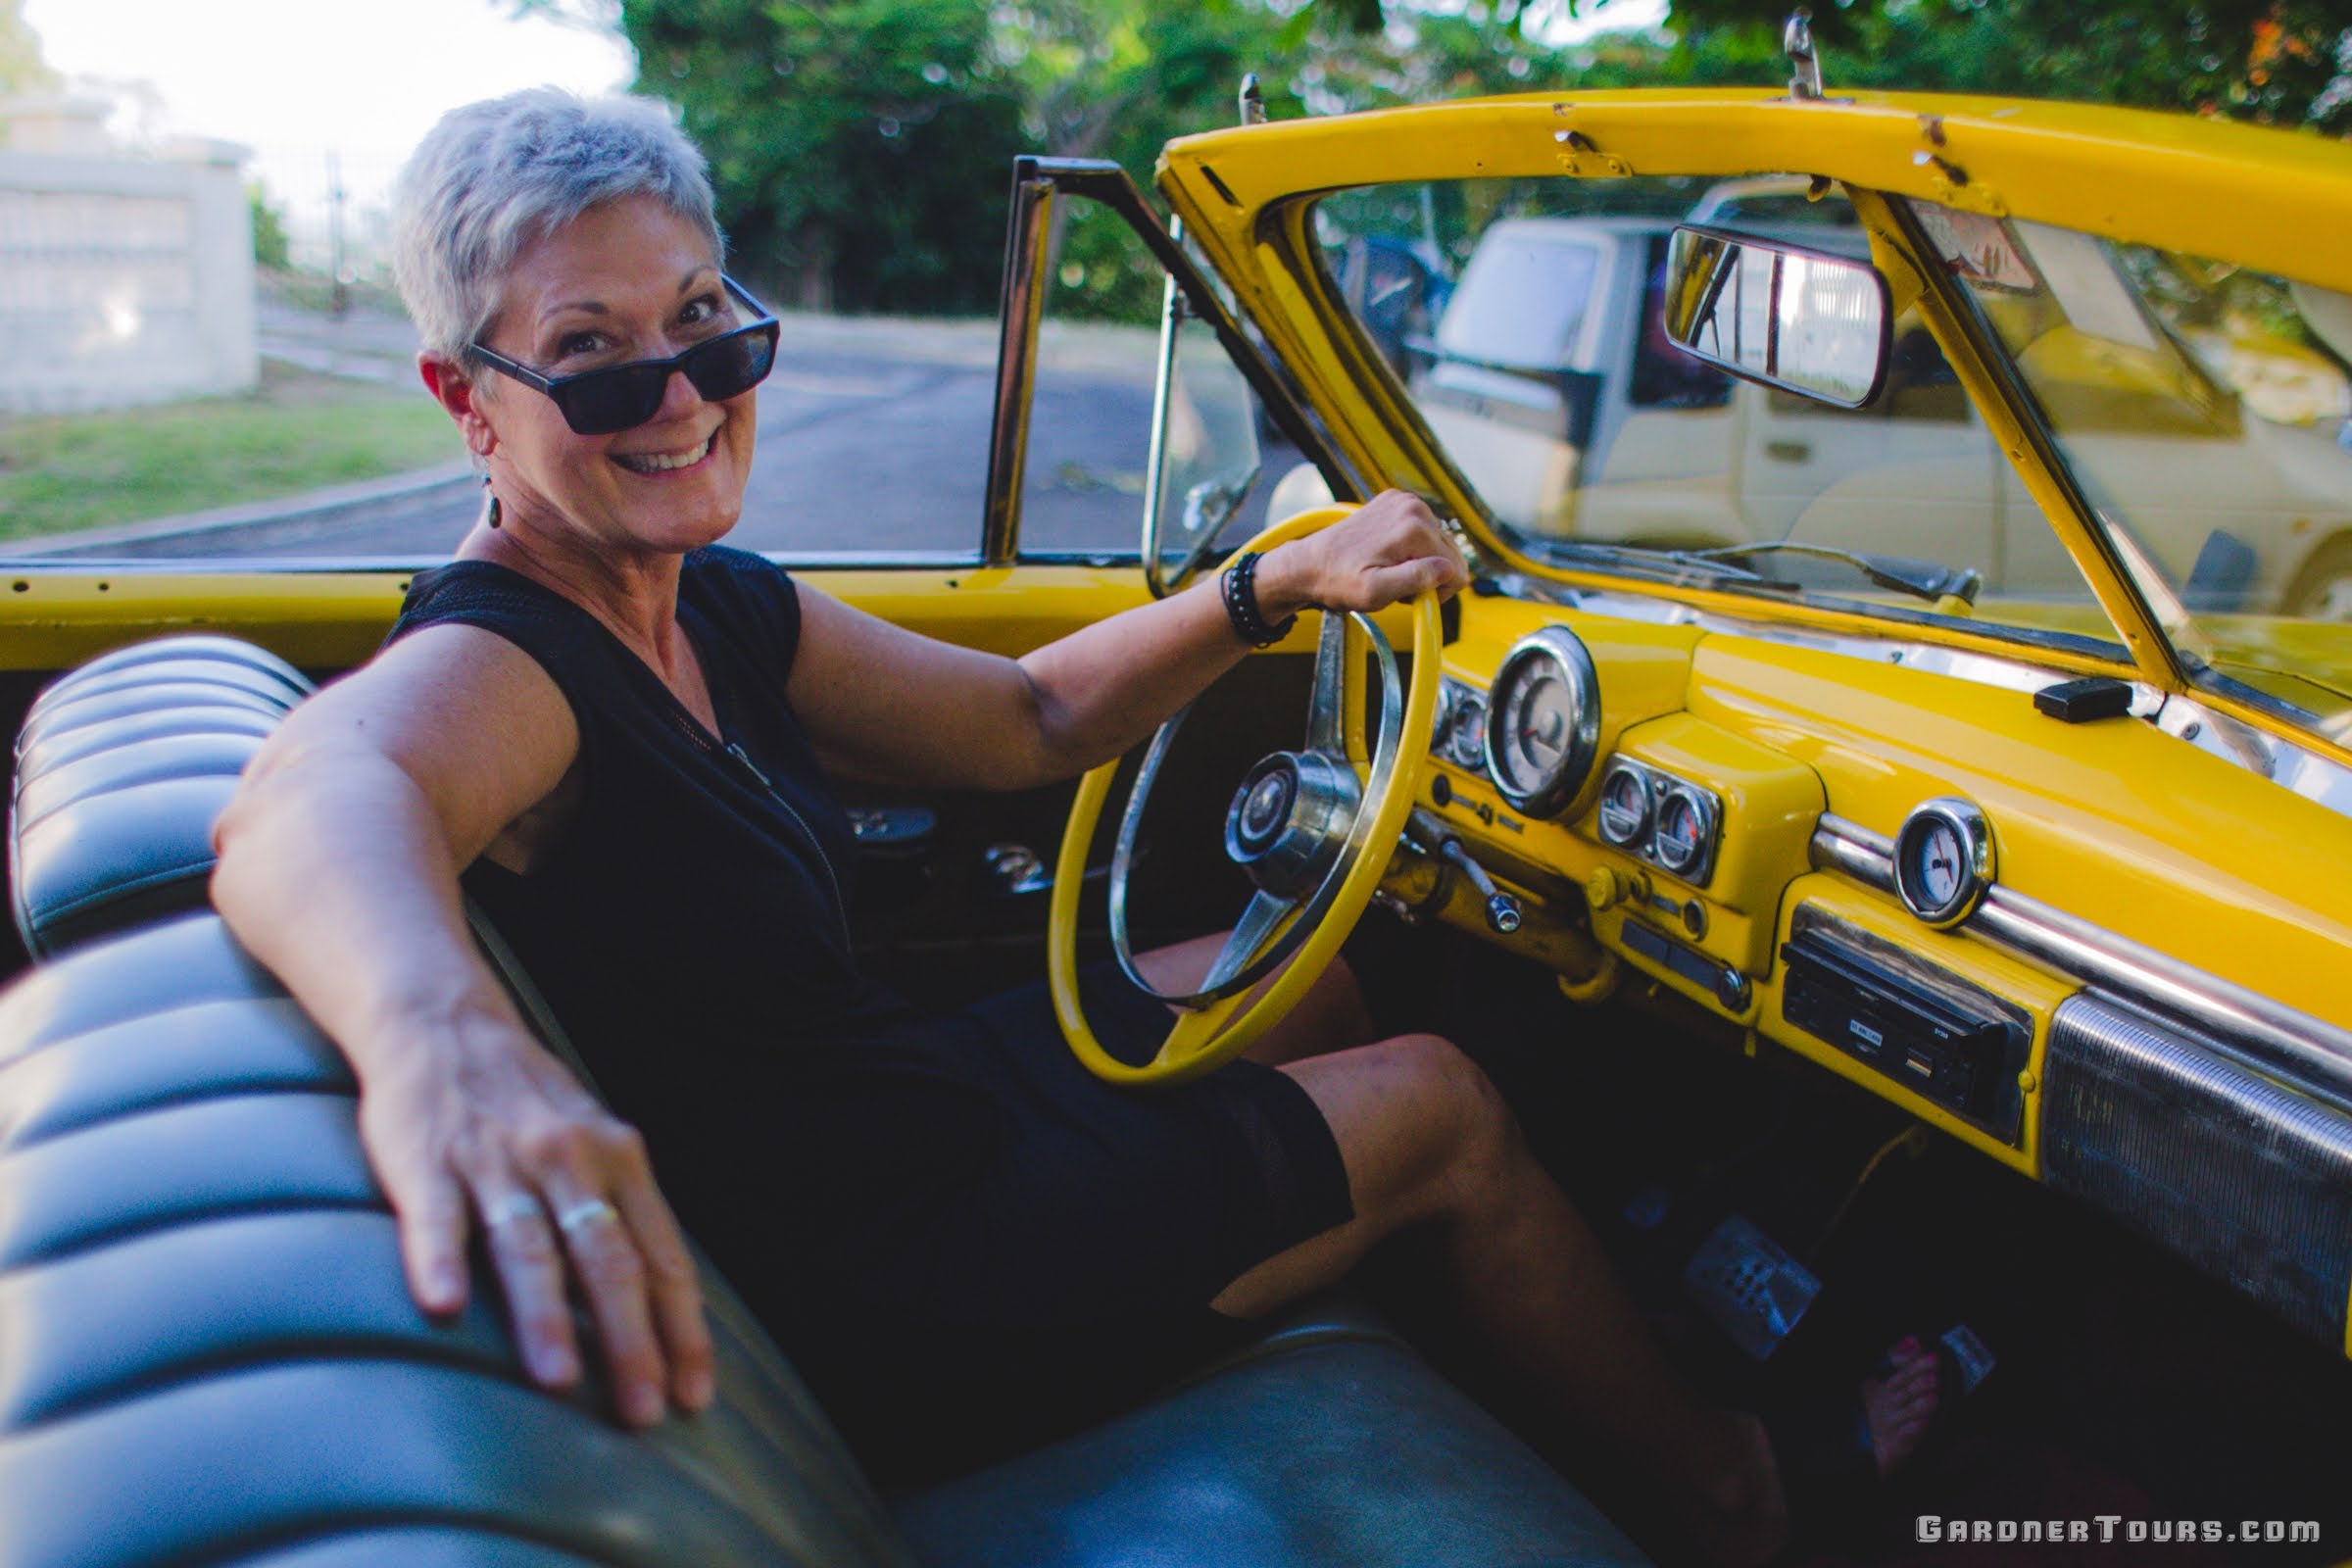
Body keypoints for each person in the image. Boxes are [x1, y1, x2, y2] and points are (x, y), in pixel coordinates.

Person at [209, 88, 1938, 1558]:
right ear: (468, 400)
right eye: (589, 360)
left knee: (1300, 982)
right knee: (1443, 1108)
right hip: (875, 1287)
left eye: (703, 323)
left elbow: (1029, 718)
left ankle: (1532, 1344)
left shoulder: (704, 599)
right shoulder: (505, 656)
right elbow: (314, 789)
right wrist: (439, 1040)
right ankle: (1737, 1487)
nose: (675, 394)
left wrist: (1272, 582)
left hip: (881, 1123)